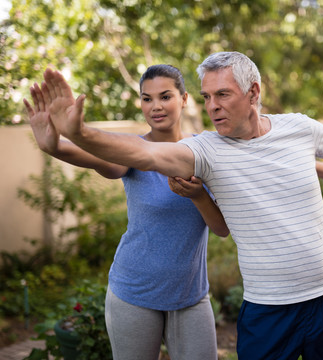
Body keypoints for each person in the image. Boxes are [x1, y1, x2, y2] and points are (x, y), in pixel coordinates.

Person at [32, 51, 323, 360]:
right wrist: (76, 136)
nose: (213, 106)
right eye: (208, 97)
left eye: (223, 94)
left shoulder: (290, 129)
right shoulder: (205, 149)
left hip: (302, 293)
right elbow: (136, 154)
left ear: (253, 92)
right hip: (221, 300)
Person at [24, 64, 230, 360]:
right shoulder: (132, 149)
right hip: (134, 293)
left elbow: (221, 228)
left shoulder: (205, 150)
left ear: (184, 99)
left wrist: (198, 195)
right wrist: (54, 147)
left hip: (190, 296)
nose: (155, 106)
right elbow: (98, 158)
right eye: (147, 99)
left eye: (165, 96)